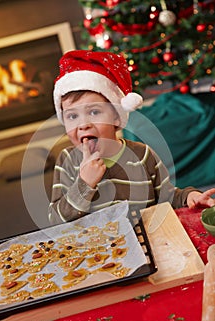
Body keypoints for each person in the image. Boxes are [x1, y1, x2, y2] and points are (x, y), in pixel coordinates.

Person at [48, 50, 215, 225]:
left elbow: (167, 197)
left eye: (94, 112)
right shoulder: (67, 161)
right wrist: (84, 184)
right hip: (96, 250)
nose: (83, 124)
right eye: (72, 116)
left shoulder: (143, 155)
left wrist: (190, 196)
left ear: (115, 116)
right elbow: (57, 221)